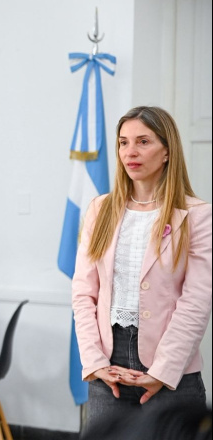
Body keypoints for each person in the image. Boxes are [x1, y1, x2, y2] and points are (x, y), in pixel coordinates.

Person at [72, 106, 212, 433]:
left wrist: (162, 371)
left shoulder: (198, 215)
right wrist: (94, 362)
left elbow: (197, 301)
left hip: (172, 365)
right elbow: (83, 292)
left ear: (167, 151)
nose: (130, 152)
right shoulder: (100, 208)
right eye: (123, 142)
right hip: (110, 363)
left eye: (143, 141)